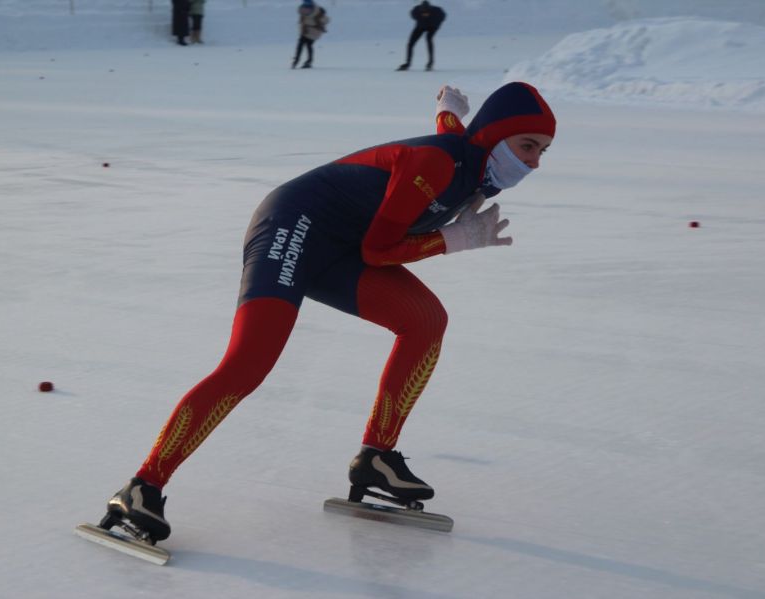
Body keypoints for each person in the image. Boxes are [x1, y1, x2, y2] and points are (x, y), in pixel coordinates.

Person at [102, 82, 556, 543]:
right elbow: (381, 251)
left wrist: (446, 110)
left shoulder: (472, 160)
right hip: (293, 224)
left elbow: (456, 131)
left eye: (542, 150)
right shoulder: (438, 163)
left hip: (344, 244)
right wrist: (453, 240)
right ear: (495, 137)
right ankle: (141, 487)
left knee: (425, 321)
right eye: (527, 145)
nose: (535, 161)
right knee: (248, 362)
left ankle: (376, 459)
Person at [398, 0, 446, 71]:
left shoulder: (437, 12)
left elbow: (443, 17)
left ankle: (430, 63)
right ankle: (408, 63)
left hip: (432, 26)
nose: (424, 14)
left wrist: (436, 25)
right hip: (421, 26)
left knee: (429, 39)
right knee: (410, 43)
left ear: (430, 10)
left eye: (426, 13)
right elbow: (412, 15)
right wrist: (420, 21)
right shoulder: (416, 11)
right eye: (423, 13)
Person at [291, 0, 330, 69]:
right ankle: (297, 60)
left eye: (308, 7)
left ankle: (308, 61)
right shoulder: (303, 11)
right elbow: (302, 21)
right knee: (301, 44)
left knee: (308, 44)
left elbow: (326, 20)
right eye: (305, 6)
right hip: (305, 31)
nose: (306, 9)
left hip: (314, 32)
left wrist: (321, 18)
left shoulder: (318, 12)